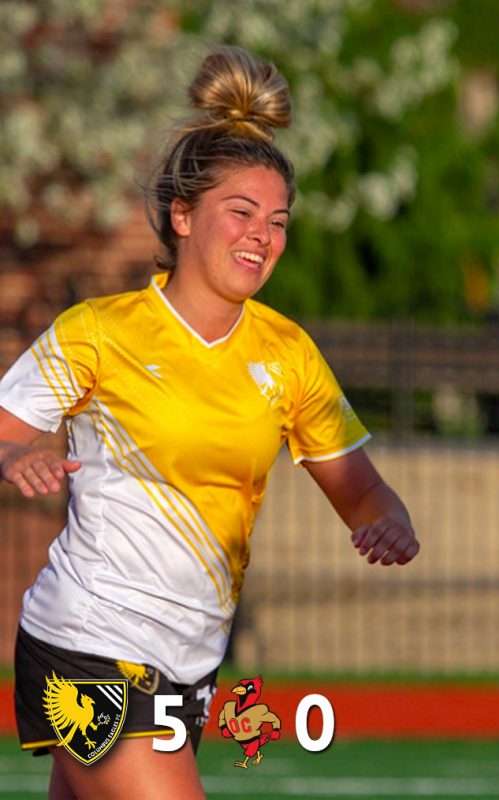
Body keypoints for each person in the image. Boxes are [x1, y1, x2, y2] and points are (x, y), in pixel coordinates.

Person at [0, 45, 419, 799]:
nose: (263, 235)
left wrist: (385, 519)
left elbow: (360, 491)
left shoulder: (287, 352)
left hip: (190, 659)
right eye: (242, 212)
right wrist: (11, 457)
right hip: (90, 638)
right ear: (182, 216)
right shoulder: (101, 330)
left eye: (279, 220)